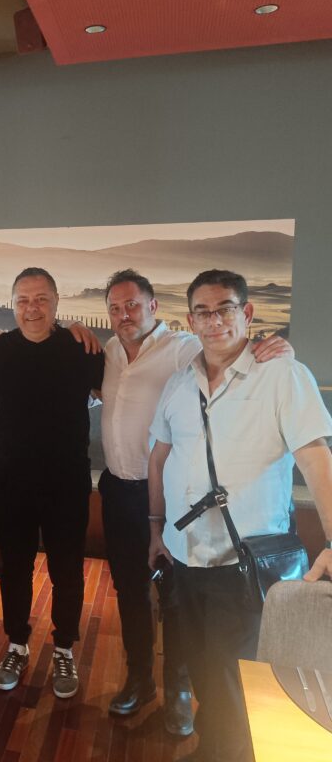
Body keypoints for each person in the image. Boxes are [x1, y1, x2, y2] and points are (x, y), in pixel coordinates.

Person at [148, 269, 332, 762]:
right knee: (203, 668)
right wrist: (155, 529)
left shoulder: (282, 375)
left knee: (238, 676)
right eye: (202, 312)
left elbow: (316, 457)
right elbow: (161, 456)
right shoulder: (179, 384)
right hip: (186, 559)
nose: (214, 321)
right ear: (190, 320)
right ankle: (213, 748)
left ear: (246, 313)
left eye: (225, 308)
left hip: (246, 564)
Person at [99, 269, 291, 733]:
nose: (124, 315)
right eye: (115, 308)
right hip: (119, 490)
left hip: (173, 500)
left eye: (132, 305)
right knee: (131, 591)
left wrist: (275, 348)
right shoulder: (108, 352)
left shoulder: (183, 348)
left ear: (153, 307)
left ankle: (179, 691)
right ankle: (140, 679)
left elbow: (230, 348)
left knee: (177, 601)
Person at [0, 267, 104, 699]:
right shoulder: (0, 351)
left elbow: (118, 395)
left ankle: (64, 647)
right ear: (13, 305)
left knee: (67, 569)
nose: (32, 308)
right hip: (13, 480)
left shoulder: (81, 349)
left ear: (56, 302)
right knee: (15, 567)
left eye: (41, 299)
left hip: (67, 480)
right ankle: (16, 644)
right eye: (23, 300)